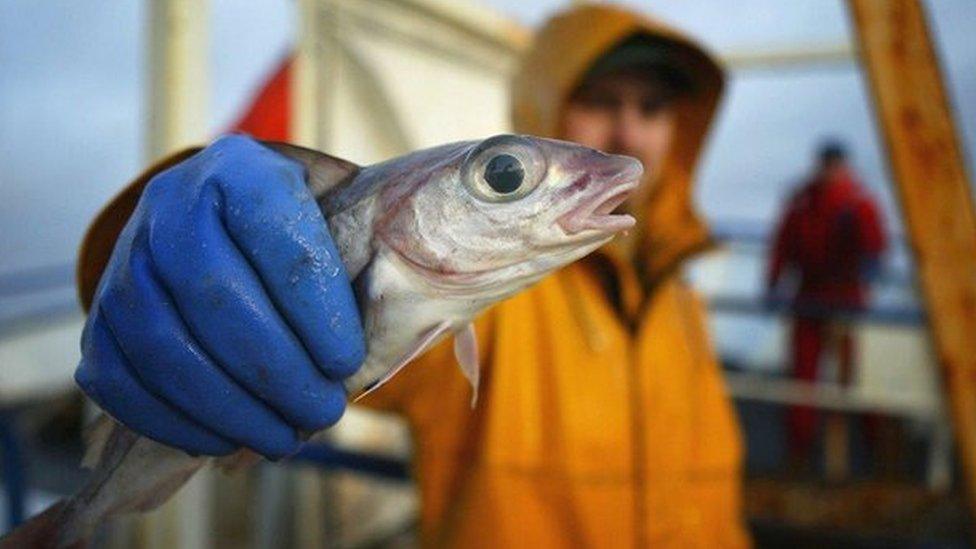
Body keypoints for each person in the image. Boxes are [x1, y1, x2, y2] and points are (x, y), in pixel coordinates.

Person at [76, 4, 748, 547]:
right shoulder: (493, 298)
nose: (628, 135)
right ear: (547, 106)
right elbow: (268, 314)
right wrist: (162, 257)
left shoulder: (682, 299)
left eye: (653, 109)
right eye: (601, 101)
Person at [766, 140, 887, 466]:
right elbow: (783, 245)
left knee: (857, 381)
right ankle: (799, 452)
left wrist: (869, 263)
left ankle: (876, 451)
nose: (831, 172)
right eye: (827, 165)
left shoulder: (858, 204)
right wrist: (773, 283)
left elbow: (875, 247)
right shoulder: (803, 203)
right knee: (803, 382)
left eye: (835, 166)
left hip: (847, 301)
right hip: (810, 298)